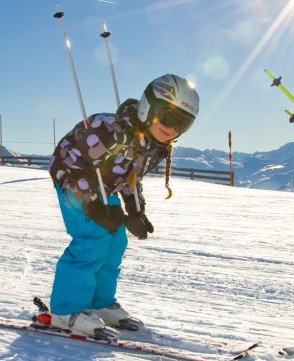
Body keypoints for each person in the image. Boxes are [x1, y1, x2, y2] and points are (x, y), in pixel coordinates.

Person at [45, 74, 199, 339]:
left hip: (107, 187)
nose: (173, 128)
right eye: (168, 116)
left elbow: (131, 177)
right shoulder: (107, 129)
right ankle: (66, 311)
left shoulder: (153, 144)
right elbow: (73, 168)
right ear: (147, 107)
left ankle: (100, 302)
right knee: (93, 238)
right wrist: (93, 205)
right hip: (73, 183)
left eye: (183, 123)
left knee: (116, 241)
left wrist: (135, 209)